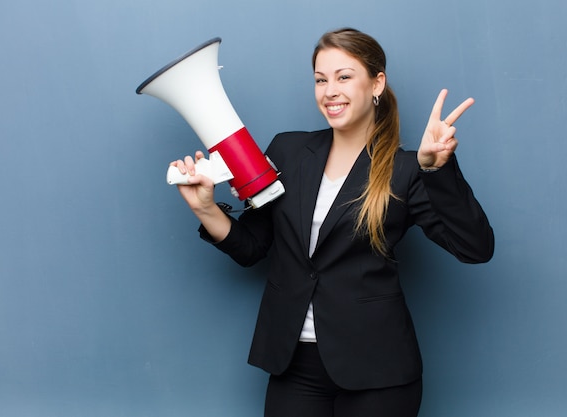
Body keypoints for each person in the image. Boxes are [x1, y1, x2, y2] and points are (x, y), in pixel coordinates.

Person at [170, 28, 494, 417]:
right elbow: (253, 248)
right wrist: (205, 208)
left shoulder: (405, 169)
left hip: (379, 371)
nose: (329, 91)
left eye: (344, 77)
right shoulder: (287, 150)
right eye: (320, 80)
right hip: (293, 365)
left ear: (377, 83)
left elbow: (475, 248)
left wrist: (437, 171)